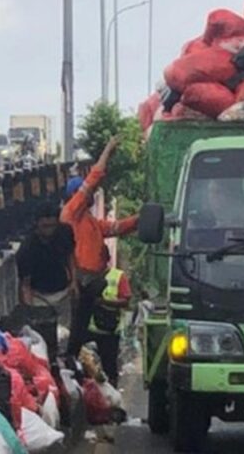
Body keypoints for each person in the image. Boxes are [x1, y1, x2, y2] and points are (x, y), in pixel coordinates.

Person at [62, 135, 139, 357]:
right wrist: (107, 151)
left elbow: (115, 228)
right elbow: (92, 180)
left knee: (88, 334)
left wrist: (140, 218)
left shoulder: (89, 221)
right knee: (78, 332)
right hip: (82, 281)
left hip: (92, 284)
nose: (91, 195)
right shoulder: (71, 214)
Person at [16, 202, 76, 358]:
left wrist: (74, 282)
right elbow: (25, 284)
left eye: (52, 226)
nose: (49, 231)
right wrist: (30, 309)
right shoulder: (27, 248)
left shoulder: (64, 233)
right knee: (42, 338)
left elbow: (70, 256)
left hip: (62, 291)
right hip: (39, 295)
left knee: (64, 336)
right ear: (37, 224)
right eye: (45, 226)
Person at [87, 264, 133, 386]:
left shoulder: (118, 276)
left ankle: (111, 391)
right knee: (88, 365)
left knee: (109, 367)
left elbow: (126, 301)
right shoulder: (87, 274)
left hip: (110, 330)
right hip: (90, 329)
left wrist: (104, 302)